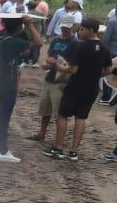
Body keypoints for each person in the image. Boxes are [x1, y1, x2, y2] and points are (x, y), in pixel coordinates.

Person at [45, 19, 109, 162]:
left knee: (63, 115)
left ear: (91, 30)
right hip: (92, 87)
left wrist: (61, 68)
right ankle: (73, 152)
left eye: (82, 29)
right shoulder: (104, 47)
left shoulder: (81, 46)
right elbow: (109, 69)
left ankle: (58, 148)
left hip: (76, 86)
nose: (79, 32)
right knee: (81, 118)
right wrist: (94, 74)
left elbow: (73, 69)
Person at [0, 16, 39, 157]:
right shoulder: (14, 42)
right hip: (8, 83)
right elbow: (38, 42)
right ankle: (3, 150)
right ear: (19, 28)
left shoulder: (0, 38)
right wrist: (30, 24)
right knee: (4, 118)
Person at [32, 20, 73, 145]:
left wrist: (55, 63)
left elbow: (71, 64)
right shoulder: (56, 40)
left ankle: (58, 140)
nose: (65, 29)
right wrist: (47, 63)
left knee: (59, 113)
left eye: (67, 27)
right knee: (45, 108)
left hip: (61, 80)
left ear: (72, 27)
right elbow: (50, 56)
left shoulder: (74, 43)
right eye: (63, 26)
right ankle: (42, 133)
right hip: (50, 77)